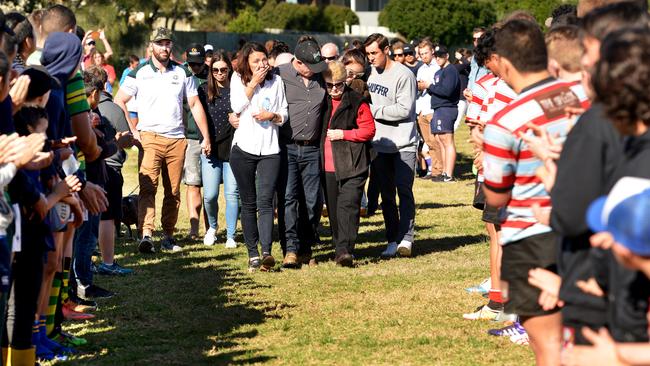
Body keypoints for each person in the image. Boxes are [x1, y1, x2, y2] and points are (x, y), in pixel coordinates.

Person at [482, 19, 590, 366]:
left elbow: (496, 198)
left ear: (506, 63)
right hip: (588, 230)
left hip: (531, 236)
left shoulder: (503, 122)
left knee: (548, 348)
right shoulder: (585, 97)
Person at [115, 27, 211, 253]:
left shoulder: (182, 73)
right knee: (148, 187)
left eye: (168, 43)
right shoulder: (138, 72)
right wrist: (134, 130)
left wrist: (206, 136)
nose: (165, 47)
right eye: (160, 44)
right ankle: (146, 234)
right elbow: (120, 100)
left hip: (177, 139)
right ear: (151, 47)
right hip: (149, 137)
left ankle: (168, 235)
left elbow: (195, 105)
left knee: (173, 191)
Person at [229, 42, 288, 272]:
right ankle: (252, 253)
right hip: (243, 148)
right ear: (247, 63)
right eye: (256, 61)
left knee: (266, 202)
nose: (262, 64)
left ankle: (266, 252)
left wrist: (272, 115)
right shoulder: (237, 78)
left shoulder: (277, 81)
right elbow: (236, 106)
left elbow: (284, 114)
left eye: (264, 60)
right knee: (248, 201)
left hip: (270, 150)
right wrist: (253, 83)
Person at [364, 33, 418, 258]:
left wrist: (375, 111)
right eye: (367, 54)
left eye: (374, 53)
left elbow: (405, 109)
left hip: (403, 143)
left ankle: (407, 238)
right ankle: (392, 239)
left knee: (404, 191)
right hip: (380, 143)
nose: (370, 58)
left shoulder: (403, 75)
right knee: (386, 195)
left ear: (386, 50)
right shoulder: (371, 75)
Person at [276, 37, 327, 268]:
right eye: (310, 67)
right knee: (288, 198)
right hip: (287, 146)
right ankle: (291, 249)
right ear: (297, 62)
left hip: (312, 148)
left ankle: (307, 246)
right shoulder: (279, 75)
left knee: (313, 201)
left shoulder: (321, 78)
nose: (314, 72)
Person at [320, 61, 375, 267]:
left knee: (348, 207)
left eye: (339, 85)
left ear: (346, 82)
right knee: (334, 211)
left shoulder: (356, 101)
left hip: (353, 163)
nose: (334, 89)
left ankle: (345, 251)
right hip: (327, 166)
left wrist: (344, 134)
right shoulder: (320, 101)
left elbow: (369, 130)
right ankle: (339, 247)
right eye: (330, 85)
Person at [93, 66, 134, 276]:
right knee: (107, 218)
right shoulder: (114, 109)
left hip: (88, 170)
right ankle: (107, 262)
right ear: (105, 85)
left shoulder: (79, 106)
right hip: (110, 168)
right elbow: (126, 140)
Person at [199, 52, 239, 248]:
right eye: (215, 70)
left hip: (233, 147)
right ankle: (212, 228)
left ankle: (231, 235)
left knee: (232, 193)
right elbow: (199, 117)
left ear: (229, 69)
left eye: (223, 69)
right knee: (210, 195)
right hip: (210, 148)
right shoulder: (203, 90)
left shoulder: (238, 90)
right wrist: (203, 139)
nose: (220, 73)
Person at [182, 43, 209, 241]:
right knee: (193, 184)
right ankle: (194, 229)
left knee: (210, 187)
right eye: (192, 64)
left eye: (198, 64)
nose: (195, 68)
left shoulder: (214, 74)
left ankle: (211, 228)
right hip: (190, 137)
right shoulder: (182, 74)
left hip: (209, 137)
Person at [421, 45, 460, 182]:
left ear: (447, 56)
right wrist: (430, 87)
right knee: (439, 140)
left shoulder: (450, 70)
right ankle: (444, 172)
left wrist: (429, 86)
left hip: (447, 108)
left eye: (441, 55)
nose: (438, 58)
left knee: (446, 140)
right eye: (436, 56)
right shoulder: (439, 72)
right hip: (438, 108)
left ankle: (449, 175)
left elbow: (447, 91)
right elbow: (438, 90)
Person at [414, 40, 441, 179]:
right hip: (421, 109)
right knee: (429, 142)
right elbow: (419, 86)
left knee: (435, 141)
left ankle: (439, 170)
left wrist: (427, 85)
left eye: (426, 53)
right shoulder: (421, 69)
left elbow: (438, 87)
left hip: (432, 108)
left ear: (432, 52)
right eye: (421, 53)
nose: (424, 56)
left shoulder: (437, 68)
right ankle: (433, 170)